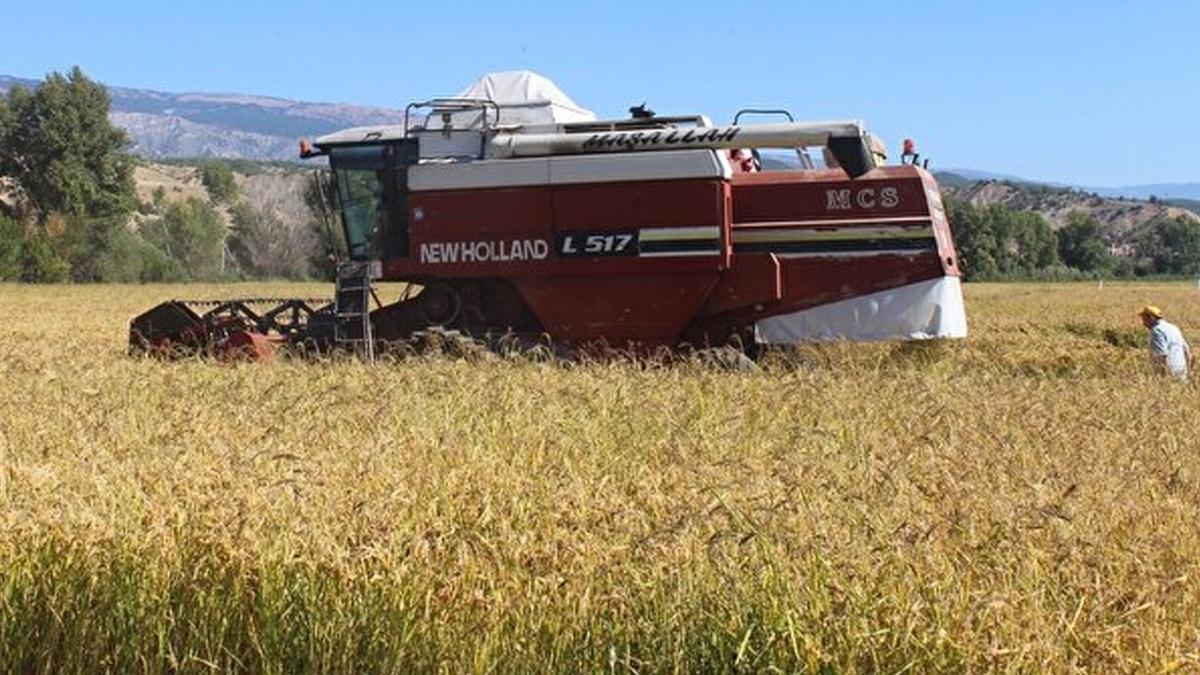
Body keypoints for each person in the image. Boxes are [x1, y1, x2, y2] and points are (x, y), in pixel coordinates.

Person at [1140, 305, 1193, 379]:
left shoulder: (1156, 331)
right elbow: (1186, 350)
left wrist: (1163, 376)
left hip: (1168, 372)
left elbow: (1161, 355)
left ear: (1151, 318)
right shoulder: (1173, 328)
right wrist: (1188, 371)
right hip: (1181, 370)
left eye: (1144, 318)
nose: (1142, 322)